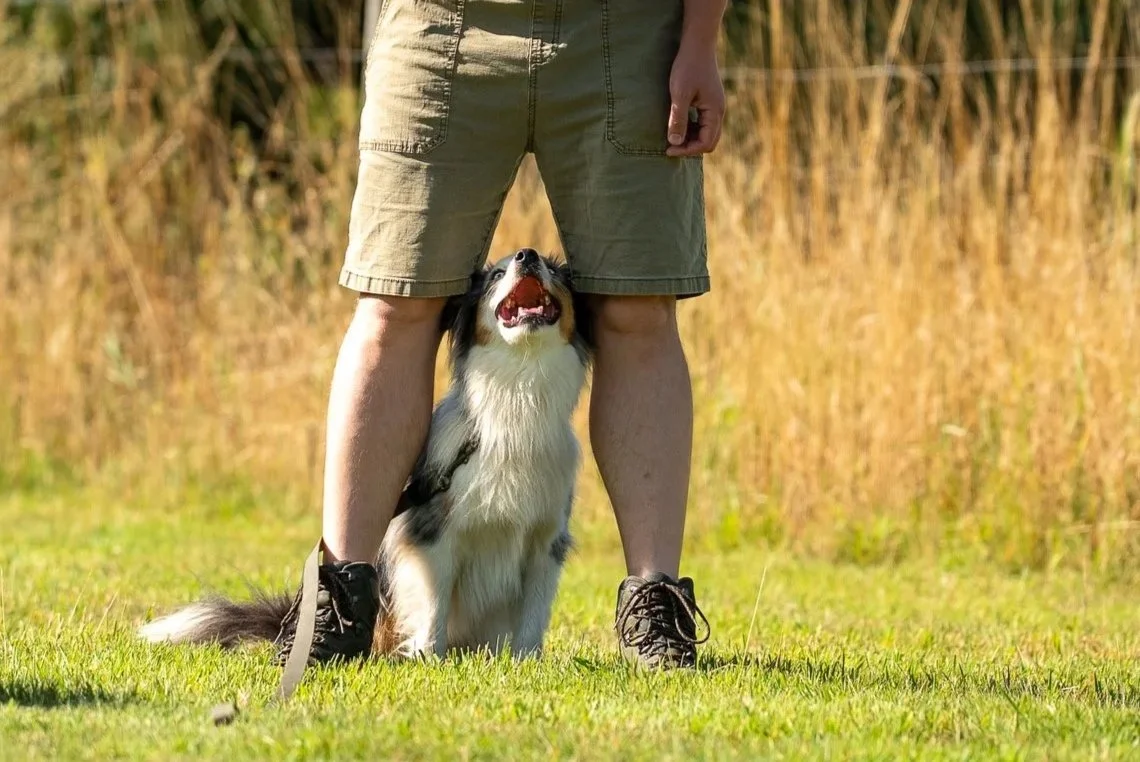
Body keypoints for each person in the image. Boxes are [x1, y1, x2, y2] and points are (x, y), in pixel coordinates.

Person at [276, 0, 727, 670]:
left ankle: (654, 609)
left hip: (629, 30)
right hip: (438, 21)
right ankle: (340, 604)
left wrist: (701, 38)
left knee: (640, 311)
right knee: (395, 305)